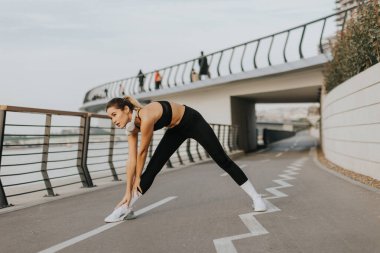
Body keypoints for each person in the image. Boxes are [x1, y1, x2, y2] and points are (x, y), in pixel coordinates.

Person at [104, 96, 266, 222]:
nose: (113, 120)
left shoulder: (145, 116)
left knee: (222, 160)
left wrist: (137, 178)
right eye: (110, 117)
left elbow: (142, 152)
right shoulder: (130, 128)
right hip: (176, 130)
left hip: (192, 121)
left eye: (114, 115)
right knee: (153, 167)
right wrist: (127, 191)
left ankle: (257, 198)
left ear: (126, 109)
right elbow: (131, 160)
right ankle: (126, 206)